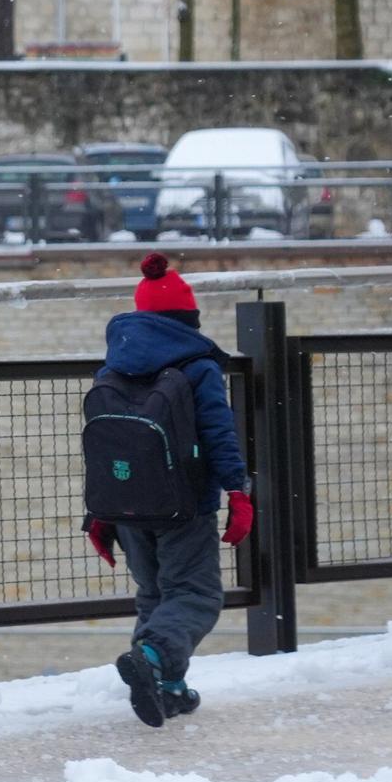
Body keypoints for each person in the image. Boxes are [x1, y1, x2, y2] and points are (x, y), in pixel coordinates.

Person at [84, 253, 253, 727]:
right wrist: (236, 491)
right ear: (187, 320)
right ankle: (155, 658)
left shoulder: (112, 368)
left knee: (155, 593)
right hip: (183, 504)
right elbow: (219, 433)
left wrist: (97, 513)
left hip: (125, 505)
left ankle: (168, 686)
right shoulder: (197, 367)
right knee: (197, 596)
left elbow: (105, 445)